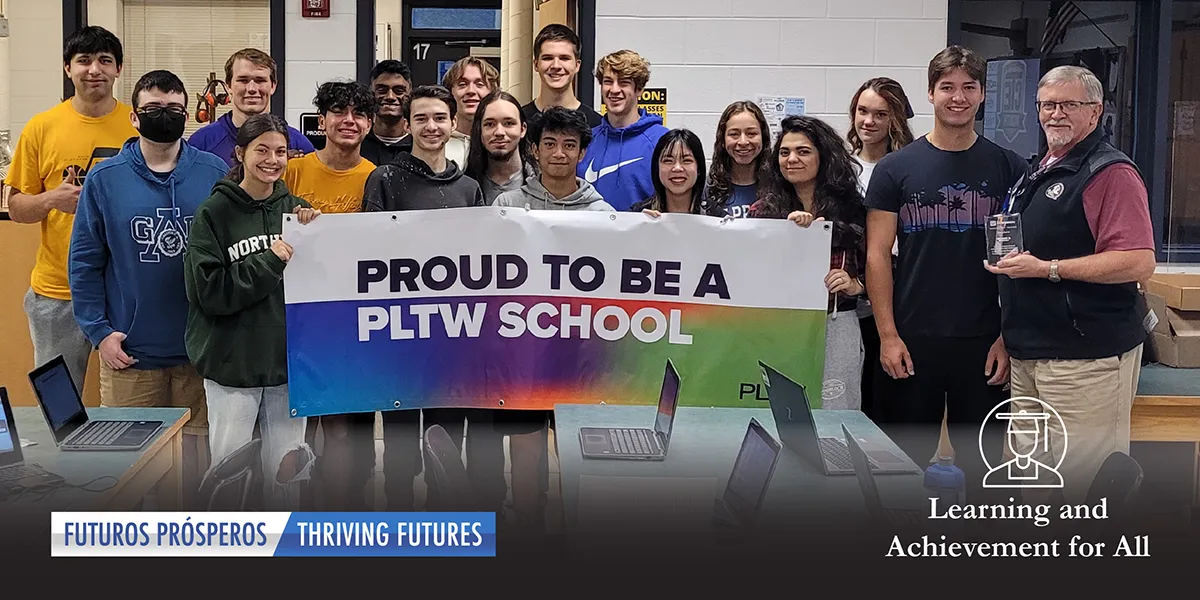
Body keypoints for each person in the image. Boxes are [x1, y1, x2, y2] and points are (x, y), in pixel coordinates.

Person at [985, 65, 1155, 502]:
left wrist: (1049, 268)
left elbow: (1137, 261)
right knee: (1033, 482)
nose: (1055, 114)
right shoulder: (1038, 170)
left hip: (1085, 358)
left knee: (1079, 486)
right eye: (1047, 105)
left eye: (1069, 105)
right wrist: (1008, 334)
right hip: (1030, 353)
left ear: (1095, 112)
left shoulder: (1109, 173)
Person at [864, 46, 1027, 496]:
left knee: (982, 466)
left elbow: (1014, 263)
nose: (958, 97)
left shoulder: (1009, 168)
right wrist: (888, 335)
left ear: (982, 96)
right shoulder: (895, 169)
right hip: (912, 337)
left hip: (983, 341)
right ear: (931, 93)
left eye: (969, 88)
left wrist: (1006, 337)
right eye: (948, 87)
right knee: (899, 463)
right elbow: (877, 255)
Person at [68, 69, 227, 508]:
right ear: (135, 118)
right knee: (128, 477)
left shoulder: (213, 171)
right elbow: (84, 262)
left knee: (195, 474)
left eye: (175, 110)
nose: (165, 117)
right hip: (130, 354)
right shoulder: (105, 179)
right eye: (154, 109)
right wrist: (99, 332)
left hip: (198, 350)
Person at [184, 113, 319, 510]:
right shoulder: (213, 213)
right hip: (232, 363)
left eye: (281, 152)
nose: (272, 160)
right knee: (229, 474)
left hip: (287, 367)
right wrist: (269, 261)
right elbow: (210, 293)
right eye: (262, 150)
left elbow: (318, 287)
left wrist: (319, 235)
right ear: (240, 153)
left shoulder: (299, 213)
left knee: (289, 471)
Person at [362, 85, 485, 511]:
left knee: (446, 444)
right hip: (397, 335)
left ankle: (443, 529)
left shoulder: (469, 188)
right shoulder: (384, 179)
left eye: (438, 118)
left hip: (453, 337)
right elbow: (369, 257)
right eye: (421, 119)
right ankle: (398, 528)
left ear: (453, 124)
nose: (430, 127)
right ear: (408, 124)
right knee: (398, 451)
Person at [493, 106, 611, 531]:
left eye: (569, 145)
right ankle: (528, 530)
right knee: (524, 454)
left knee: (576, 450)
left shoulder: (604, 215)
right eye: (550, 144)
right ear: (534, 149)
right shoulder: (507, 204)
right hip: (522, 354)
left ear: (582, 153)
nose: (559, 153)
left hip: (578, 356)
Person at [5, 26, 137, 394]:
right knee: (59, 402)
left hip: (123, 291)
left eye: (104, 61)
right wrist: (51, 200)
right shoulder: (41, 127)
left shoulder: (136, 125)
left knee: (131, 403)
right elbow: (16, 208)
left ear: (118, 70)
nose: (94, 69)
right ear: (68, 69)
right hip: (57, 292)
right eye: (84, 61)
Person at [282, 80, 378, 511]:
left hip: (349, 317)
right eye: (339, 112)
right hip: (293, 313)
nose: (349, 121)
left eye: (359, 114)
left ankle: (337, 517)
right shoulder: (293, 170)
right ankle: (293, 511)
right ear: (322, 121)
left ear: (370, 124)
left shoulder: (375, 177)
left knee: (340, 426)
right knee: (295, 425)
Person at [750, 116, 867, 410]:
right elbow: (747, 270)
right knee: (782, 411)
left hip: (836, 324)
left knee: (837, 410)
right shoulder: (763, 211)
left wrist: (856, 285)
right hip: (780, 326)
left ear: (823, 156)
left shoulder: (853, 208)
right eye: (785, 152)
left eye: (803, 151)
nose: (792, 159)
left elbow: (880, 263)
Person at [846, 77, 915, 422]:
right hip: (846, 299)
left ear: (896, 119)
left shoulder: (908, 168)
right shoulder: (841, 168)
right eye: (862, 111)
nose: (868, 121)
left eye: (880, 114)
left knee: (881, 394)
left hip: (890, 294)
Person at [188, 48, 314, 166]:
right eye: (243, 80)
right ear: (228, 86)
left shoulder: (298, 144)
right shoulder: (201, 144)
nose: (252, 89)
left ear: (273, 86)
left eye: (260, 80)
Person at [578, 49, 668, 211]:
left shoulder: (661, 141)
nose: (614, 90)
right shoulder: (587, 139)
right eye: (608, 81)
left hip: (643, 235)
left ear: (639, 89)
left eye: (624, 82)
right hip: (589, 235)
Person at [521, 24, 603, 128]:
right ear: (536, 64)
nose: (556, 65)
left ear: (577, 65)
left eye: (564, 58)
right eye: (548, 58)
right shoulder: (520, 122)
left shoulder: (596, 125)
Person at [465, 91, 536, 204]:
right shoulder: (464, 188)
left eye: (508, 123)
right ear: (479, 130)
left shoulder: (543, 183)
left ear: (523, 129)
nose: (499, 132)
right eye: (490, 124)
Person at [632, 128, 723, 216]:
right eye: (668, 161)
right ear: (657, 168)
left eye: (686, 160)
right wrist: (638, 225)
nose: (677, 168)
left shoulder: (714, 215)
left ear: (698, 168)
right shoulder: (639, 214)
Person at [705, 101, 771, 219]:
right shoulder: (707, 188)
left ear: (763, 138)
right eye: (734, 134)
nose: (743, 142)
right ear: (723, 141)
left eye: (751, 133)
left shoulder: (779, 187)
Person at [441, 57, 499, 169]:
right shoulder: (437, 141)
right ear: (450, 92)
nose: (471, 91)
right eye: (462, 84)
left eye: (480, 84)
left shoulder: (500, 140)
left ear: (492, 92)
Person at [361, 60, 413, 167]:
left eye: (399, 90)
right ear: (371, 93)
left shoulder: (420, 146)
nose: (390, 97)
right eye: (382, 90)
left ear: (409, 94)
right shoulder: (356, 144)